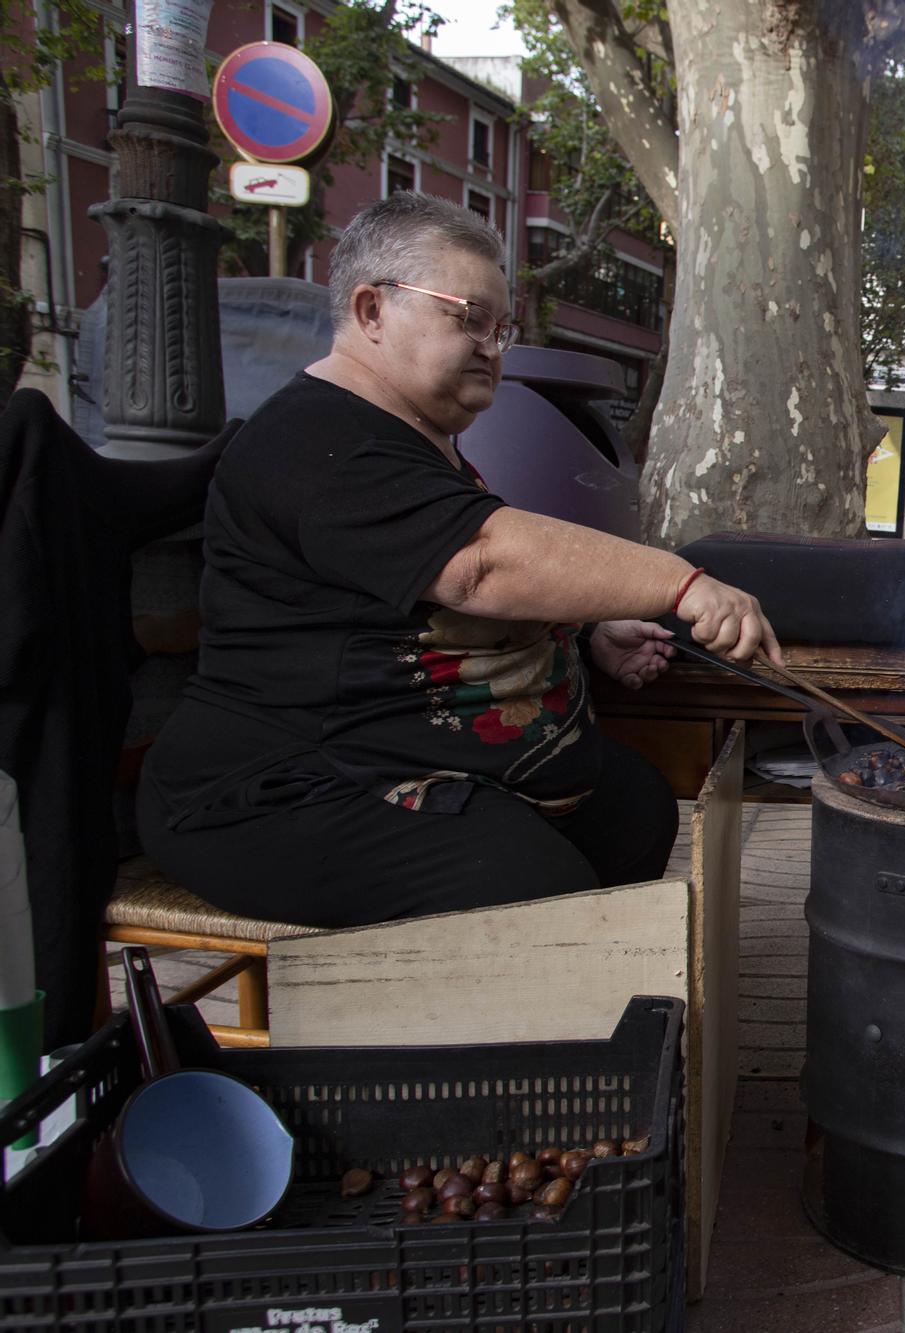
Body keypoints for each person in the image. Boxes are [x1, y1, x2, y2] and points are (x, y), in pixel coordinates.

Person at [136, 193, 784, 929]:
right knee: (525, 883)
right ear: (372, 310)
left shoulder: (409, 438)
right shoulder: (319, 440)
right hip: (282, 785)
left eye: (499, 326)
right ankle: (443, 1030)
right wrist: (681, 583)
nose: (492, 346)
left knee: (631, 805)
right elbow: (479, 563)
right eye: (467, 317)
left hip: (391, 756)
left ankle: (576, 1017)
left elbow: (417, 597)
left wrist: (584, 632)